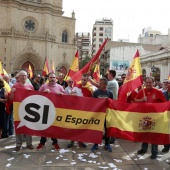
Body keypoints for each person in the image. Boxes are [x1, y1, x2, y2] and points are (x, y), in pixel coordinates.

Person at [135, 76, 166, 159]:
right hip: (145, 116)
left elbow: (164, 103)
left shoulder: (158, 92)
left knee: (154, 135)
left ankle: (154, 152)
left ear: (153, 83)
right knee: (145, 133)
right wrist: (141, 100)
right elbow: (134, 100)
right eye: (147, 82)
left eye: (150, 82)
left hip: (155, 117)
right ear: (144, 83)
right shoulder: (142, 91)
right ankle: (143, 149)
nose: (148, 84)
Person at [36, 72, 65, 151]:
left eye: (53, 77)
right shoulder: (43, 86)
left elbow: (66, 97)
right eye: (51, 77)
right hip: (45, 109)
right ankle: (42, 142)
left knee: (53, 127)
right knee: (44, 126)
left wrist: (61, 93)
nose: (52, 79)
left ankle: (54, 142)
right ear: (48, 78)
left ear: (56, 78)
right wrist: (43, 92)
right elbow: (37, 95)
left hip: (55, 110)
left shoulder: (59, 87)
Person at [67, 74, 93, 148]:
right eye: (82, 80)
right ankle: (72, 141)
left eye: (85, 80)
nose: (83, 81)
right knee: (74, 126)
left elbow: (93, 98)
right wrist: (73, 94)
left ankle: (80, 141)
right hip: (76, 109)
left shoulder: (91, 88)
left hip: (85, 110)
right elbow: (71, 94)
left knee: (82, 126)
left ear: (88, 80)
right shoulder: (76, 87)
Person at [10, 70, 34, 151]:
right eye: (22, 75)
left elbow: (34, 97)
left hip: (28, 109)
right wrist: (12, 92)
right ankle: (18, 144)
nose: (24, 77)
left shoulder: (30, 86)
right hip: (18, 109)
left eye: (25, 75)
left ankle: (29, 143)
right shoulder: (15, 86)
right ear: (18, 77)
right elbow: (10, 98)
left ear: (27, 77)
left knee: (28, 126)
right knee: (18, 126)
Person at [91, 77, 113, 152]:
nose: (99, 85)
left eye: (101, 84)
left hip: (107, 115)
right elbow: (93, 103)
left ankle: (107, 144)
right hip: (98, 114)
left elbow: (112, 104)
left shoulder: (110, 93)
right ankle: (96, 144)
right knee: (97, 130)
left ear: (105, 84)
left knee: (107, 130)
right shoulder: (96, 92)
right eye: (99, 83)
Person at [161, 81, 170, 152]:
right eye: (168, 85)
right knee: (166, 131)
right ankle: (166, 146)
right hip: (166, 116)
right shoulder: (163, 94)